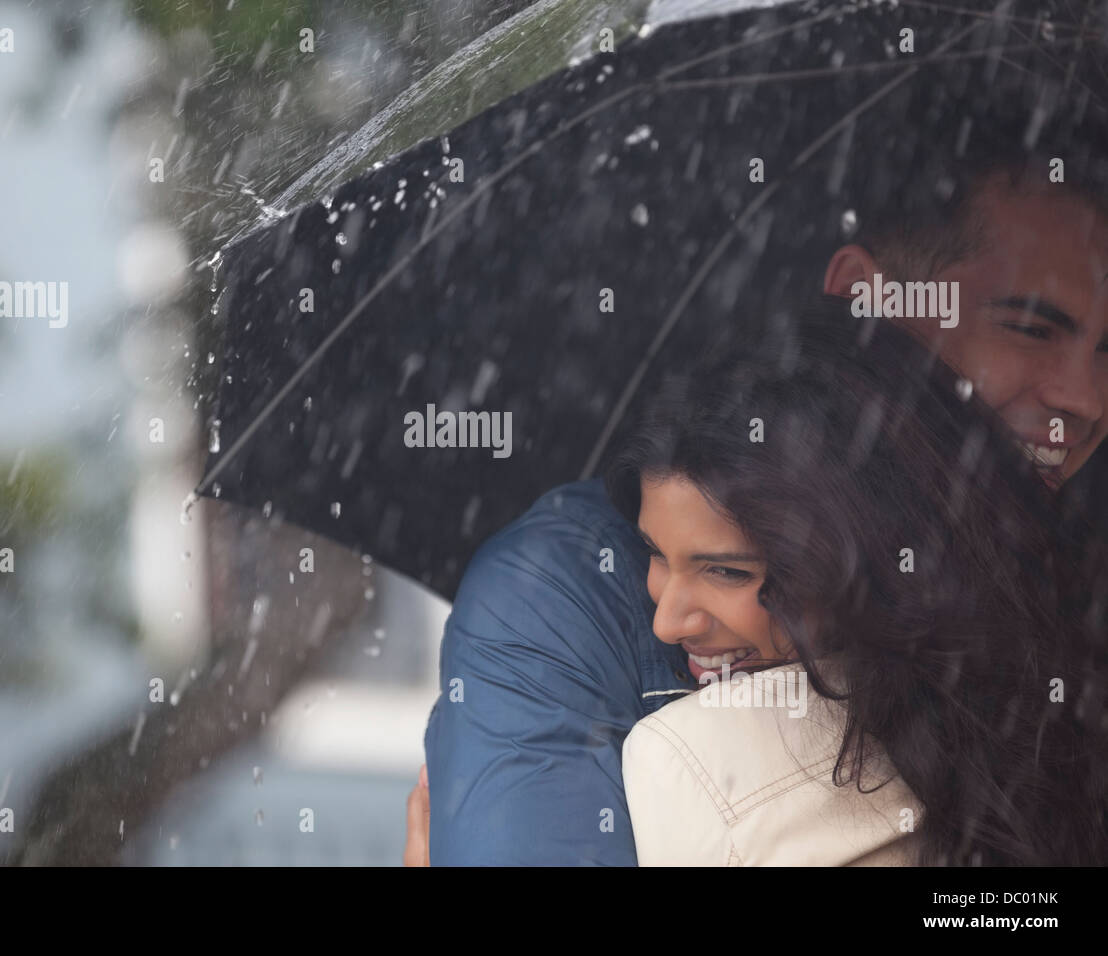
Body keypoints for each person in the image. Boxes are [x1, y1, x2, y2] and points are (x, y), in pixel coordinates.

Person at [409, 125, 1108, 866]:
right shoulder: (565, 598)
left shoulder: (1068, 585)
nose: (1087, 399)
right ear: (867, 301)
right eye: (1031, 328)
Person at [613, 299, 1106, 866]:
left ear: (874, 557)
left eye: (728, 571)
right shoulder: (1053, 702)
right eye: (654, 553)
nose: (668, 623)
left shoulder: (688, 760)